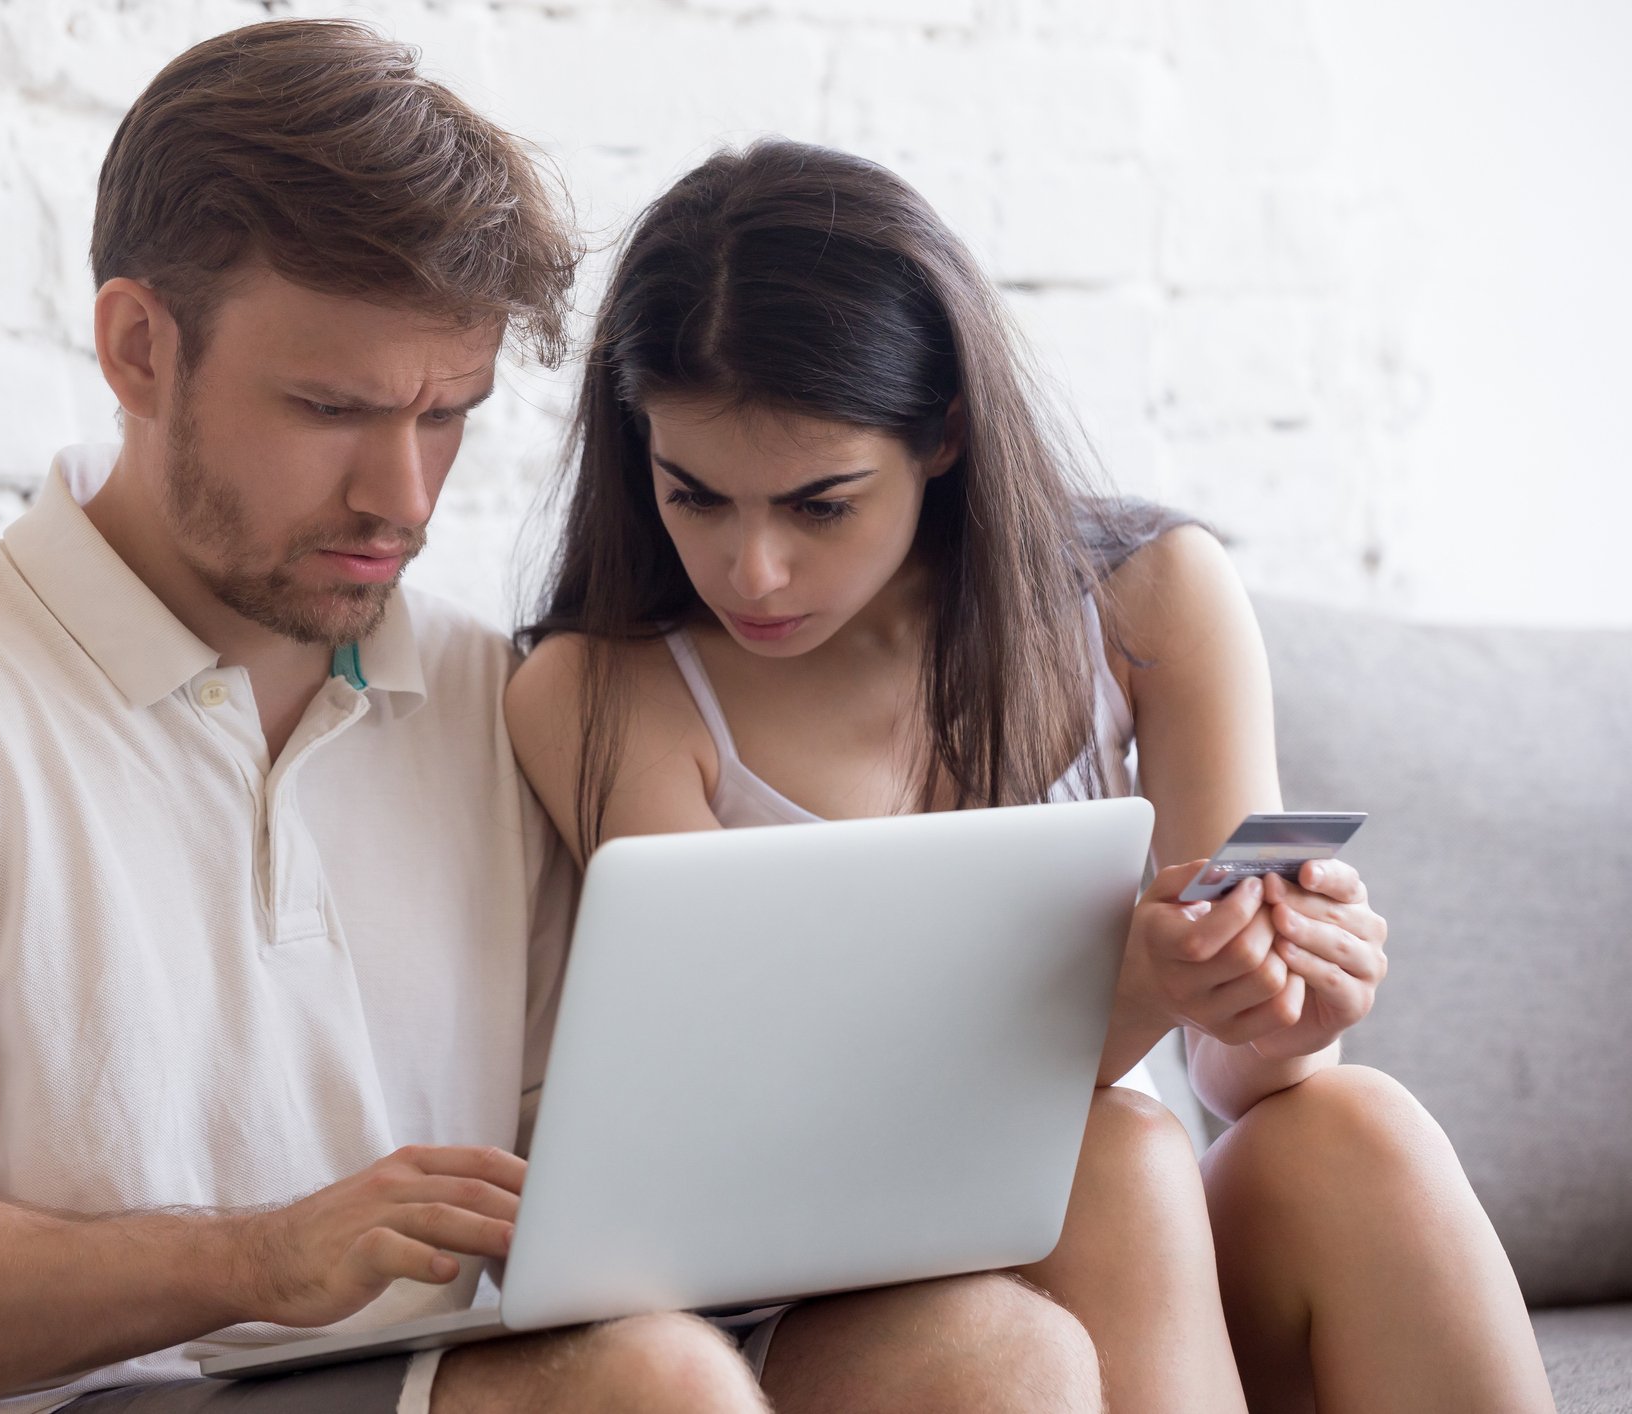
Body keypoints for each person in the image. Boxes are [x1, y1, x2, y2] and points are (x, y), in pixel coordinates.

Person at [0, 25, 1106, 1414]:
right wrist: (252, 1254)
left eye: (448, 416)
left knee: (1002, 1355)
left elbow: (633, 1168)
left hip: (447, 1370)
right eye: (332, 408)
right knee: (646, 1386)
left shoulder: (500, 702)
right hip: (93, 1393)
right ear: (137, 347)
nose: (405, 497)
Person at [506, 138, 1559, 1414]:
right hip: (856, 1285)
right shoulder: (609, 693)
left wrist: (1286, 995)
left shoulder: (1153, 599)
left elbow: (1256, 1089)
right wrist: (1118, 999)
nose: (754, 571)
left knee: (1355, 1129)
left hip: (1159, 1243)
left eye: (820, 504)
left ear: (942, 434)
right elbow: (764, 1153)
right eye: (696, 497)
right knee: (1107, 1148)